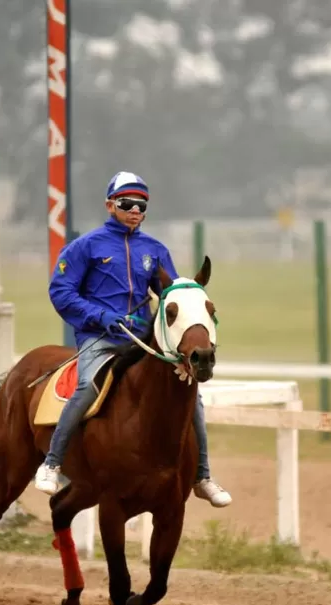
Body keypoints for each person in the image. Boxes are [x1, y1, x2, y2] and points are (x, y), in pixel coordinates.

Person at [34, 171, 232, 508]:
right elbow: (61, 292)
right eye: (127, 203)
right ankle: (52, 463)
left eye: (142, 205)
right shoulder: (85, 247)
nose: (135, 210)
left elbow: (170, 297)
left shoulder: (155, 250)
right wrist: (100, 315)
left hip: (142, 340)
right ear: (110, 205)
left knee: (193, 397)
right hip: (99, 337)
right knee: (87, 386)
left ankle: (202, 476)